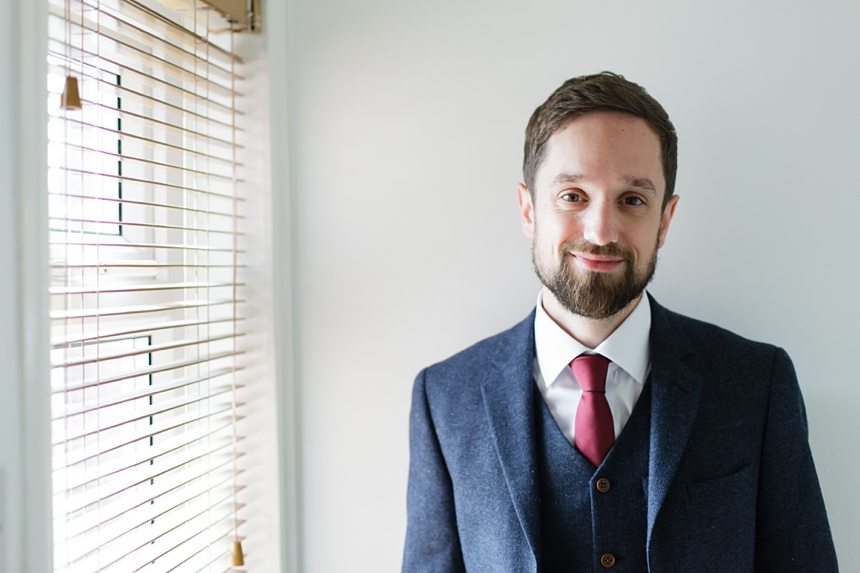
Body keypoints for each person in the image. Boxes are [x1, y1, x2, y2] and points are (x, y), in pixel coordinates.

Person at [402, 72, 837, 572]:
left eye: (632, 199)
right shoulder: (445, 399)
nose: (602, 232)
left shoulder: (758, 384)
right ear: (528, 209)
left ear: (665, 220)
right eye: (572, 195)